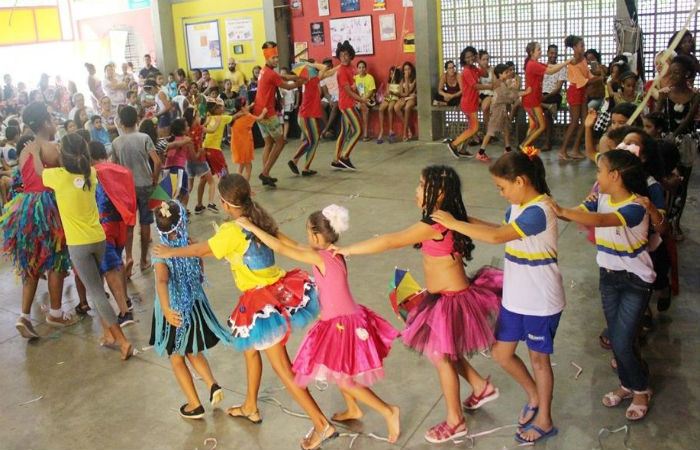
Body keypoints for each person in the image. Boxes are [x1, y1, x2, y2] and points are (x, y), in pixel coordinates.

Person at [153, 174, 337, 450]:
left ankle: (321, 424)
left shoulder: (231, 232)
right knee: (251, 350)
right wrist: (321, 252)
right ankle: (251, 405)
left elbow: (203, 249)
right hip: (277, 288)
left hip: (262, 303)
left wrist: (169, 252)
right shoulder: (259, 215)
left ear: (226, 204)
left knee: (283, 368)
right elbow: (288, 245)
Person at [334, 165, 502, 444]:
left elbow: (390, 241)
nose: (416, 190)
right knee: (448, 351)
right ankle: (480, 386)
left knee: (441, 356)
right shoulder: (453, 218)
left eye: (422, 185)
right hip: (450, 298)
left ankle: (455, 420)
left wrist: (348, 249)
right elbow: (489, 227)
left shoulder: (434, 225)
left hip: (450, 303)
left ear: (440, 193)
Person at [236, 205, 401, 442]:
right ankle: (353, 408)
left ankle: (388, 411)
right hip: (346, 319)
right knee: (338, 366)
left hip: (343, 325)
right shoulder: (334, 252)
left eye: (307, 232)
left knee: (343, 375)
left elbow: (283, 248)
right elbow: (292, 244)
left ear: (315, 235)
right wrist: (268, 228)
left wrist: (251, 227)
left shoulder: (319, 256)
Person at [432, 149, 564, 443]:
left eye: (502, 187)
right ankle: (533, 395)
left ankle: (545, 418)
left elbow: (495, 238)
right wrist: (463, 218)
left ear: (520, 181)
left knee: (539, 361)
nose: (501, 193)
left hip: (540, 300)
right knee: (501, 353)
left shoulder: (539, 211)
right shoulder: (517, 207)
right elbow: (501, 230)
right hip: (516, 298)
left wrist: (454, 224)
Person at [547, 149, 658, 421]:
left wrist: (563, 210)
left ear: (614, 175)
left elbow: (599, 221)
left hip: (635, 281)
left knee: (621, 340)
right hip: (608, 276)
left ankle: (641, 389)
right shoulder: (601, 198)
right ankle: (626, 385)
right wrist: (552, 206)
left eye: (599, 171)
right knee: (618, 340)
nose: (596, 177)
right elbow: (578, 214)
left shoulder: (635, 207)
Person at [41, 133, 134, 359]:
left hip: (79, 245)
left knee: (96, 294)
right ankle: (109, 334)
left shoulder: (57, 176)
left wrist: (35, 150)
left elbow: (38, 170)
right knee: (96, 286)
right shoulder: (90, 173)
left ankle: (122, 341)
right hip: (98, 238)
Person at [150, 200, 232, 419]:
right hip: (195, 305)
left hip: (176, 310)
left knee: (176, 357)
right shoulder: (191, 244)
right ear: (182, 222)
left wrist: (167, 309)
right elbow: (201, 268)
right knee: (191, 349)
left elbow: (161, 282)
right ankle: (212, 385)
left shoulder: (160, 253)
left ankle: (194, 404)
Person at [2, 104, 73, 339]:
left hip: (27, 208)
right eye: (52, 119)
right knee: (55, 259)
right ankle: (55, 312)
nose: (54, 123)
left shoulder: (25, 150)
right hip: (49, 207)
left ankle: (23, 316)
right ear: (45, 123)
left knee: (31, 262)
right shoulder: (50, 148)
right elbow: (65, 175)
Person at [88, 141, 137, 326]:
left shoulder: (93, 174)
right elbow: (131, 200)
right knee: (118, 262)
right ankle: (127, 300)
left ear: (90, 157)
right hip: (122, 224)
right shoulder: (122, 170)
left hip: (104, 225)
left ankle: (124, 312)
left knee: (110, 269)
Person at [111, 105, 162, 274]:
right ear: (137, 120)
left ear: (121, 122)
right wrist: (154, 179)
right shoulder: (144, 137)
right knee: (146, 222)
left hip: (127, 188)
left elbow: (115, 167)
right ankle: (143, 260)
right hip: (145, 184)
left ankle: (129, 257)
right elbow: (157, 161)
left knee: (129, 224)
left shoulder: (116, 142)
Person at [656, 55, 700, 241]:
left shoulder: (695, 96)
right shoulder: (665, 94)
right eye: (670, 72)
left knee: (682, 183)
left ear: (687, 75)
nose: (672, 76)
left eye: (677, 73)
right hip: (666, 144)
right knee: (664, 182)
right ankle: (662, 218)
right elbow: (657, 117)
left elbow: (689, 120)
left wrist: (675, 137)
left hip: (685, 143)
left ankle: (676, 222)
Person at [254, 41, 305, 188]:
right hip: (268, 113)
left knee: (269, 143)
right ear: (267, 58)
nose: (276, 60)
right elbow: (286, 85)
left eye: (277, 57)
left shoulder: (265, 71)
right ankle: (265, 173)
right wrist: (300, 82)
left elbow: (284, 78)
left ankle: (266, 174)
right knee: (281, 142)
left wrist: (296, 77)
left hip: (259, 112)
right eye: (273, 58)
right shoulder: (270, 74)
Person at [288, 61, 339, 177]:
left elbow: (328, 72)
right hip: (307, 116)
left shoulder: (312, 80)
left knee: (312, 140)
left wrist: (340, 66)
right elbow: (325, 68)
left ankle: (304, 166)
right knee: (313, 140)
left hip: (307, 116)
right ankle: (295, 160)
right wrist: (312, 63)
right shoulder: (312, 81)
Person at [520, 42, 571, 149]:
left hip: (532, 100)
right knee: (541, 126)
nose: (540, 51)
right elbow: (551, 71)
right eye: (538, 49)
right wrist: (568, 61)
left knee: (533, 125)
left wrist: (566, 63)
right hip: (532, 101)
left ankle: (526, 147)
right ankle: (523, 146)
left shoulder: (534, 63)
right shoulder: (532, 64)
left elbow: (551, 66)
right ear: (531, 52)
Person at [478, 64, 531, 160]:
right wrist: (525, 93)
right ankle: (481, 152)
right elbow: (510, 96)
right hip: (498, 112)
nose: (509, 73)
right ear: (500, 74)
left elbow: (510, 93)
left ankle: (507, 148)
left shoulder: (503, 82)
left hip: (502, 110)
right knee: (491, 131)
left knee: (506, 128)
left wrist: (512, 87)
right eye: (506, 72)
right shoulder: (500, 84)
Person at [445, 46, 489, 159]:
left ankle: (463, 150)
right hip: (468, 103)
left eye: (472, 56)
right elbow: (475, 86)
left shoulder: (474, 68)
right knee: (474, 128)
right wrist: (491, 86)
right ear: (463, 59)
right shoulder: (466, 71)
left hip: (472, 102)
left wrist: (479, 62)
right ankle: (453, 144)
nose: (470, 58)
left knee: (471, 127)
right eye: (467, 57)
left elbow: (485, 74)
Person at [331, 41, 367, 171]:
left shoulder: (352, 67)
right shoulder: (341, 72)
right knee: (358, 130)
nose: (344, 57)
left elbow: (354, 86)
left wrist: (359, 99)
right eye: (341, 55)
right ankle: (344, 157)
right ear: (339, 57)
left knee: (344, 132)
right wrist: (361, 100)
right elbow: (348, 92)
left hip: (350, 103)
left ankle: (336, 159)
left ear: (351, 55)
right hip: (346, 105)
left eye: (346, 55)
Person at [560, 35, 597, 161]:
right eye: (581, 46)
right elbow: (582, 81)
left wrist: (598, 75)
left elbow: (589, 75)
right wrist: (599, 79)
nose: (583, 48)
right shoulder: (572, 62)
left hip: (582, 91)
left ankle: (575, 149)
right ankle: (563, 150)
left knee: (585, 120)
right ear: (575, 47)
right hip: (575, 90)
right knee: (575, 121)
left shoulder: (583, 59)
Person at [183, 107, 216, 215]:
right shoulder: (200, 128)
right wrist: (217, 121)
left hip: (188, 161)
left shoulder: (186, 131)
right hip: (200, 160)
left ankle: (182, 208)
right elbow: (212, 130)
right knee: (211, 182)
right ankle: (211, 202)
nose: (199, 117)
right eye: (197, 116)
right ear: (193, 118)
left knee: (189, 186)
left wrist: (207, 120)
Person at [231, 97, 267, 181]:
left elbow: (245, 109)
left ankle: (236, 186)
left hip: (236, 145)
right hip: (245, 145)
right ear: (242, 107)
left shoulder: (235, 115)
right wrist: (264, 112)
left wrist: (251, 105)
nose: (248, 106)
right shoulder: (248, 116)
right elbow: (259, 118)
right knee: (248, 167)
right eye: (247, 105)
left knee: (240, 166)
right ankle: (246, 188)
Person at [540, 45, 567, 152]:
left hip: (554, 95)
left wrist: (546, 96)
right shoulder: (542, 66)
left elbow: (558, 87)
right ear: (547, 53)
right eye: (551, 53)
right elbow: (538, 83)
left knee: (547, 113)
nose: (553, 55)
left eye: (555, 53)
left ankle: (547, 142)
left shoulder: (561, 67)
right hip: (542, 95)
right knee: (527, 102)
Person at [163, 118, 192, 206]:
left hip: (166, 170)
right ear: (182, 130)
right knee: (183, 194)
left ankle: (165, 216)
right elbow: (192, 156)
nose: (188, 127)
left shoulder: (169, 139)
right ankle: (182, 216)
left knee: (167, 196)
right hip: (179, 169)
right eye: (186, 126)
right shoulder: (186, 139)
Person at [376, 66, 401, 144]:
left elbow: (399, 93)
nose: (391, 75)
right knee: (380, 109)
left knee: (390, 108)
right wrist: (387, 93)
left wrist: (393, 93)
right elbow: (387, 92)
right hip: (389, 97)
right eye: (390, 73)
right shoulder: (389, 82)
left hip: (395, 97)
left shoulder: (399, 82)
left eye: (393, 73)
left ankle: (391, 129)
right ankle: (382, 130)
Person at [394, 62, 417, 142]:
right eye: (405, 69)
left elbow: (408, 91)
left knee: (407, 108)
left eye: (409, 69)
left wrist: (407, 80)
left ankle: (405, 132)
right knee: (396, 107)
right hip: (404, 97)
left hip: (412, 98)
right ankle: (408, 126)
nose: (407, 71)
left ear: (412, 70)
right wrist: (404, 95)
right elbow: (401, 92)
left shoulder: (414, 79)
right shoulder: (402, 79)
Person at [354, 60, 376, 141]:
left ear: (365, 68)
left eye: (363, 67)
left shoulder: (370, 77)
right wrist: (359, 100)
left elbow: (371, 91)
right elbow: (353, 91)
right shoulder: (355, 78)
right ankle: (354, 132)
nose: (361, 69)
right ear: (357, 69)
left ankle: (365, 134)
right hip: (358, 99)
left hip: (368, 99)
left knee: (364, 108)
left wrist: (362, 100)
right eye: (359, 67)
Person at [320, 58, 340, 140]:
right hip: (329, 95)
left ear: (332, 66)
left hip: (338, 94)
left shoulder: (337, 73)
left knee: (335, 106)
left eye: (329, 66)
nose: (328, 68)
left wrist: (333, 100)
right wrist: (330, 100)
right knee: (319, 106)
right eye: (326, 66)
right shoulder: (323, 76)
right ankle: (328, 129)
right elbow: (325, 92)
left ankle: (325, 130)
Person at [279, 67, 300, 142]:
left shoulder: (291, 82)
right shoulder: (279, 83)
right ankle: (281, 137)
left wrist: (297, 103)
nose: (283, 75)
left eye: (284, 74)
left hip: (289, 103)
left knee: (286, 120)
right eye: (281, 74)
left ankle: (284, 137)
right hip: (281, 106)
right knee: (280, 121)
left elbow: (297, 93)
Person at [477, 50, 495, 136]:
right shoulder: (477, 70)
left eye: (487, 59)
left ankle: (488, 133)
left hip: (490, 93)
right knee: (470, 107)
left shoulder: (492, 69)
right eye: (483, 59)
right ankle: (476, 132)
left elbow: (495, 83)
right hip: (480, 93)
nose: (486, 61)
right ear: (479, 60)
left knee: (485, 108)